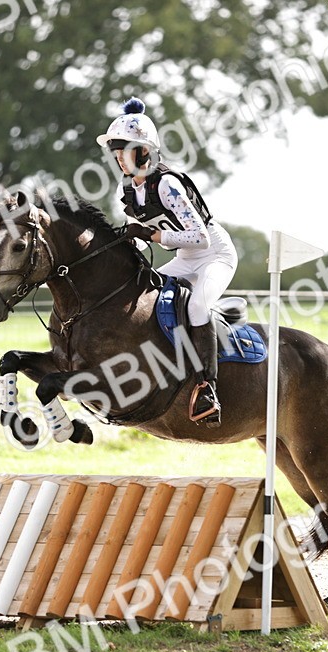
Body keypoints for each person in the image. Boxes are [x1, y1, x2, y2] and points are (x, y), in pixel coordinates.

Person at [96, 97, 238, 428]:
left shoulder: (168, 185)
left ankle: (207, 388)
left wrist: (153, 236)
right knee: (143, 294)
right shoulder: (127, 189)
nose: (119, 158)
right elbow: (142, 235)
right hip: (184, 259)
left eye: (124, 151)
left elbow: (200, 238)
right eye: (116, 152)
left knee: (198, 307)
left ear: (144, 151)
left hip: (215, 255)